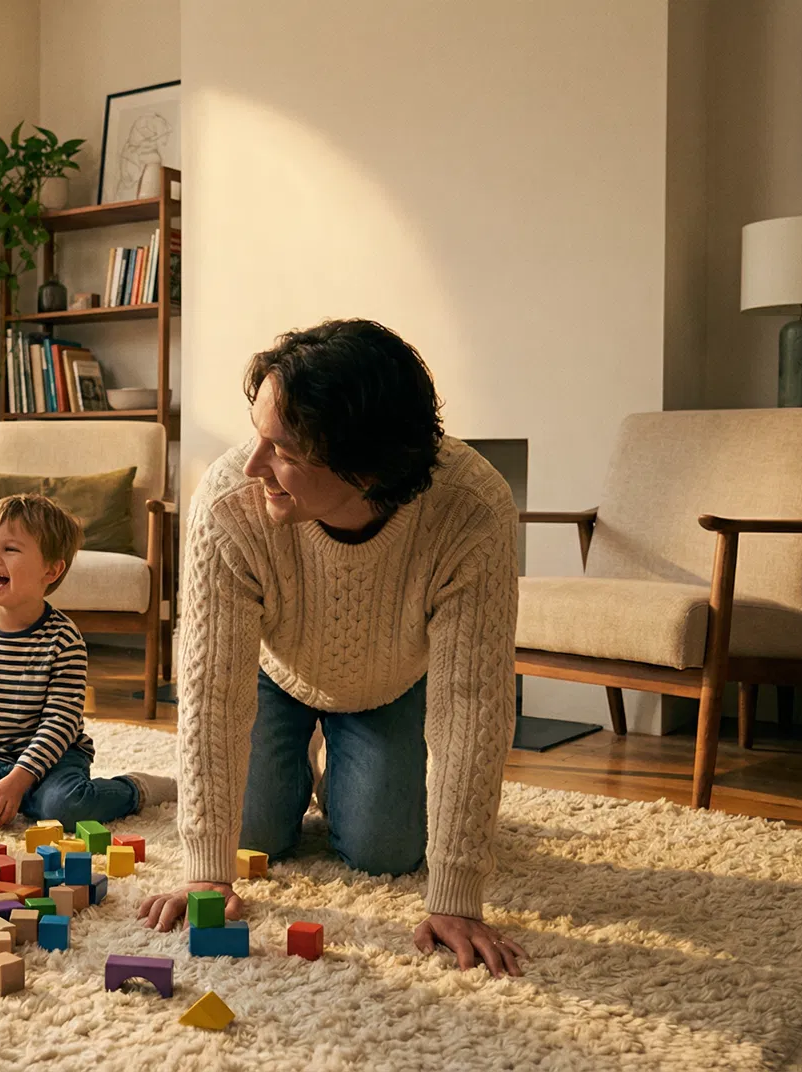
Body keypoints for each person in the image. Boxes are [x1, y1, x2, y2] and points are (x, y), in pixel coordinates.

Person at [136, 319, 527, 977]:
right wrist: (207, 872)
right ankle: (300, 758)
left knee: (388, 851)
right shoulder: (231, 502)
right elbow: (210, 693)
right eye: (256, 434)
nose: (254, 464)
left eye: (282, 449)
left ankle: (342, 756)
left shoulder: (472, 507)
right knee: (253, 838)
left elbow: (472, 706)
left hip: (394, 680)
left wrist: (458, 892)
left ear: (365, 465)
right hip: (274, 675)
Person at [0, 493, 176, 825]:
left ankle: (135, 789)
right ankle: (16, 796)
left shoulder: (64, 640)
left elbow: (60, 723)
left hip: (56, 758)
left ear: (51, 570)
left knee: (64, 809)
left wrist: (21, 778)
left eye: (9, 549)